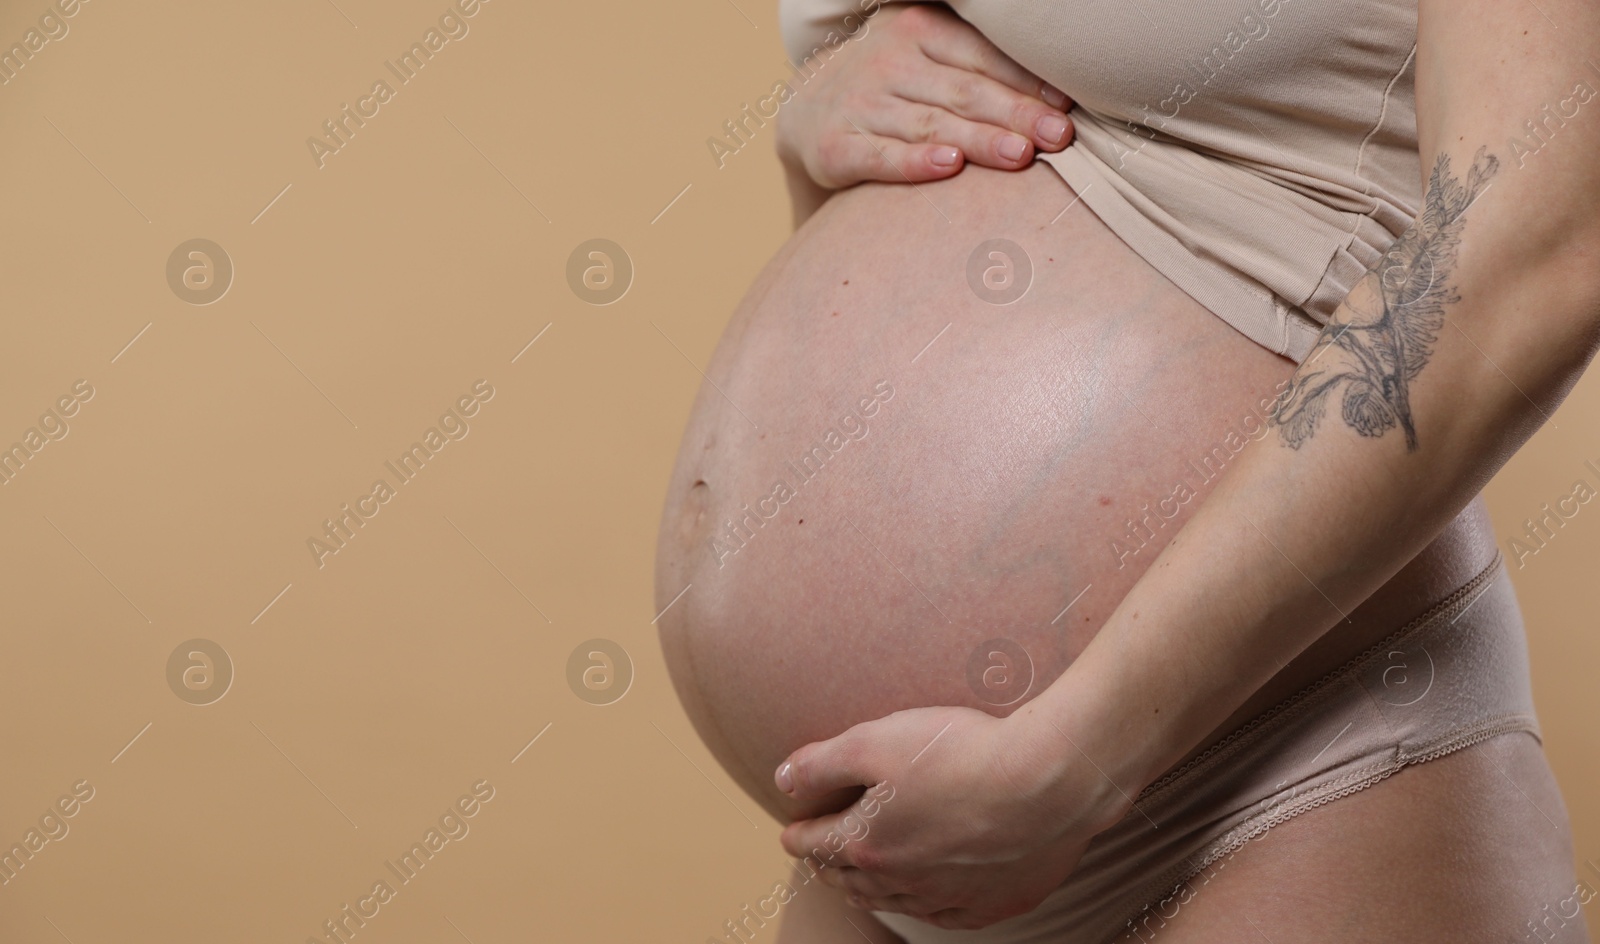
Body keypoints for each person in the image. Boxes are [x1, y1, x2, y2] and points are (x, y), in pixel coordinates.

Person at [654, 1, 1600, 941]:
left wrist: (1076, 760)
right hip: (900, 847)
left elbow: (1535, 255)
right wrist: (817, 122)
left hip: (1284, 780)